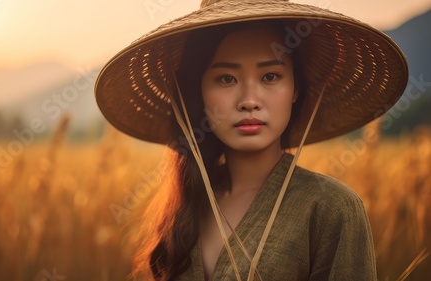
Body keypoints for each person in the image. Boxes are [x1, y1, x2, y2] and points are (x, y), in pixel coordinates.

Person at [94, 0, 409, 280]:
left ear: (296, 89)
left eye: (270, 76)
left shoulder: (331, 208)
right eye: (226, 78)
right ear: (199, 92)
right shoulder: (186, 204)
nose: (249, 100)